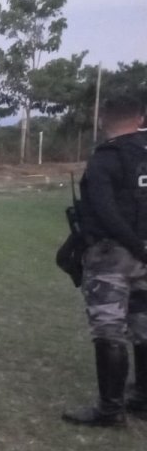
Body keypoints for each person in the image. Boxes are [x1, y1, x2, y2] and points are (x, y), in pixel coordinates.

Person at [62, 96, 147, 427]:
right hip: (143, 254)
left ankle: (111, 410)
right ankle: (141, 397)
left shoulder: (106, 158)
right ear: (140, 117)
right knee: (142, 324)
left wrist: (133, 244)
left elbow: (103, 209)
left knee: (109, 328)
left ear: (102, 120)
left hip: (113, 254)